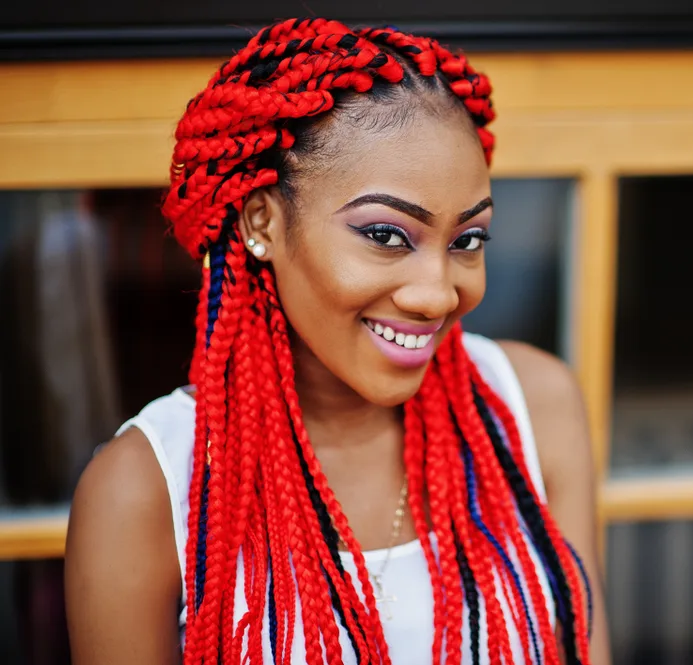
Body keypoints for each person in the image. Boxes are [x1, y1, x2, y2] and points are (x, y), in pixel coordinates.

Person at [64, 18, 609, 665]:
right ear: (262, 220)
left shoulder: (532, 410)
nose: (436, 293)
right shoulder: (145, 491)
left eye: (467, 240)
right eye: (386, 235)